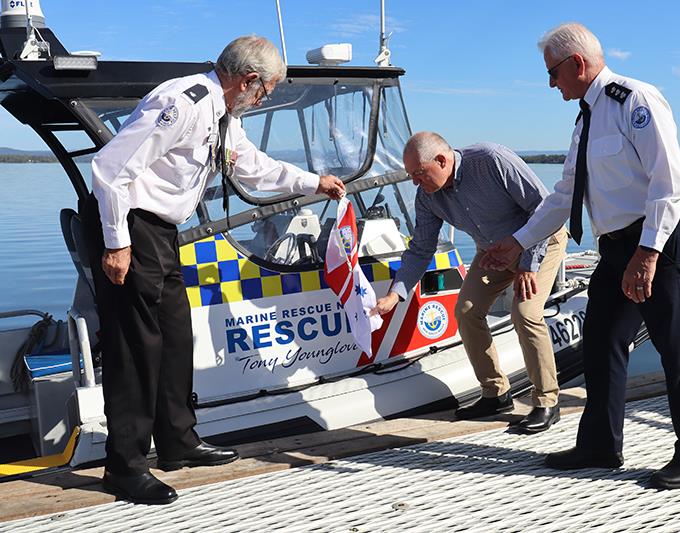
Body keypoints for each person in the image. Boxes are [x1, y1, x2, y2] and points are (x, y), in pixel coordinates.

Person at [81, 35, 346, 505]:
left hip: (159, 232)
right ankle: (124, 468)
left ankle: (178, 442)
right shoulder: (182, 102)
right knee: (135, 349)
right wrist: (117, 244)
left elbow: (252, 168)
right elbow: (109, 169)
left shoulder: (225, 116)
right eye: (265, 92)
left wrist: (312, 182)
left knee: (176, 338)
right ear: (248, 80)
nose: (263, 100)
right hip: (131, 225)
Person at [480, 23, 680, 489]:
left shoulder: (636, 102)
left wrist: (647, 254)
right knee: (602, 339)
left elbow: (669, 186)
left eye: (553, 73)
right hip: (615, 247)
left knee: (679, 345)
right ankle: (600, 445)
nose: (552, 84)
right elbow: (564, 194)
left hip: (660, 241)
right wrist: (519, 240)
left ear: (577, 64)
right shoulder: (586, 119)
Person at [372, 132, 568, 432]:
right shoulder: (427, 197)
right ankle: (495, 394)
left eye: (419, 174)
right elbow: (421, 248)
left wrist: (529, 265)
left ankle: (546, 402)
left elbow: (542, 209)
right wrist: (395, 294)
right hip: (492, 251)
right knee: (465, 311)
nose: (415, 182)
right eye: (410, 175)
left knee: (525, 314)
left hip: (540, 244)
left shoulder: (491, 160)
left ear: (442, 159)